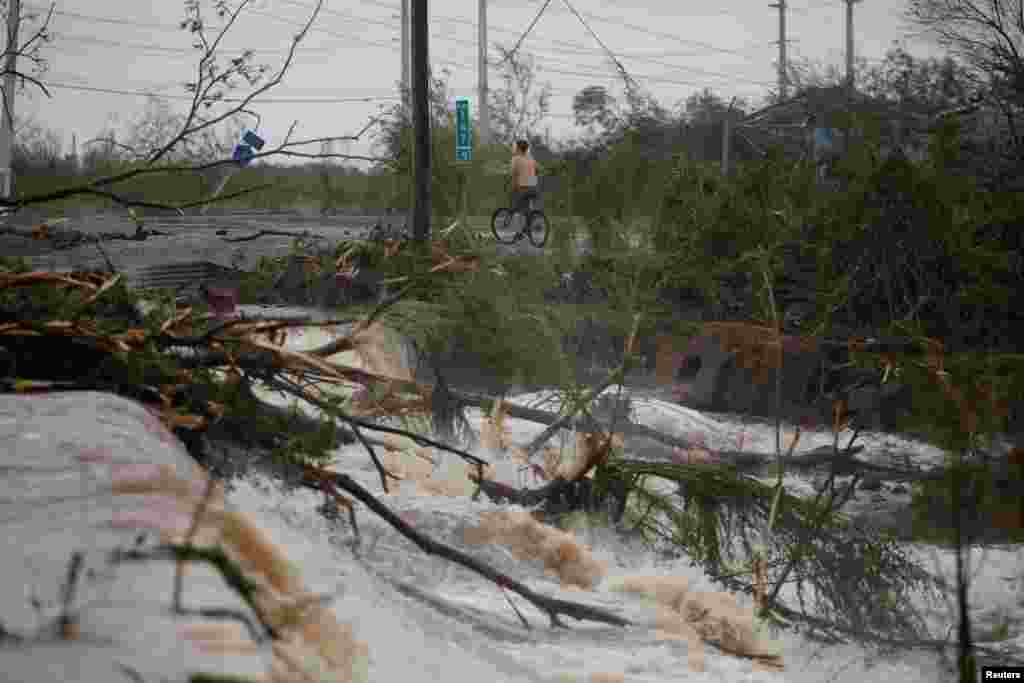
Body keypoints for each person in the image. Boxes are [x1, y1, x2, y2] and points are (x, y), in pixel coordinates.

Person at [509, 139, 539, 215]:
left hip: (523, 188)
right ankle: (531, 220)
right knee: (527, 206)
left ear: (518, 148)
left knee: (515, 205)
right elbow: (537, 170)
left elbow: (513, 174)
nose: (514, 148)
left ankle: (522, 221)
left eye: (515, 147)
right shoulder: (531, 159)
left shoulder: (515, 159)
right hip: (533, 187)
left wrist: (513, 186)